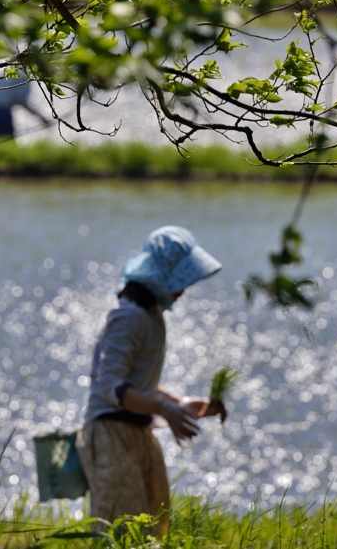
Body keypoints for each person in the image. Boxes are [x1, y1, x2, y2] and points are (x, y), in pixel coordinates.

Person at [76, 226, 225, 538]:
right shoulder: (128, 316)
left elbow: (139, 384)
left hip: (138, 431)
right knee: (121, 529)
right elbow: (112, 386)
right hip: (110, 434)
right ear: (158, 275)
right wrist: (163, 408)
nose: (184, 289)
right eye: (180, 280)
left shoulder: (151, 316)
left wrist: (177, 404)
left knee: (153, 526)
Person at [0, 73, 49, 138]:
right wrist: (41, 118)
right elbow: (21, 101)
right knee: (5, 144)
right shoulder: (23, 76)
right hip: (1, 114)